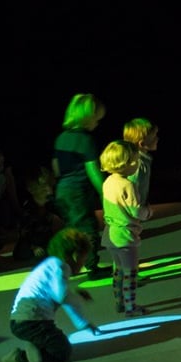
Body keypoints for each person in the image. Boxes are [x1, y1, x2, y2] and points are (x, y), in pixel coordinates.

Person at [3, 228, 102, 362]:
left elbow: (56, 290)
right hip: (32, 322)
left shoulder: (51, 264)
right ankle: (22, 355)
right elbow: (62, 296)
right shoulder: (61, 267)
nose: (83, 265)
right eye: (83, 260)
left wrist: (74, 292)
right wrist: (82, 322)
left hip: (21, 321)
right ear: (75, 256)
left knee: (53, 341)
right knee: (62, 351)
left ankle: (35, 343)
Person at [52, 93, 107, 278]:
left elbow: (56, 168)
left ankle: (67, 265)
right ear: (87, 117)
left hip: (62, 190)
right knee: (88, 227)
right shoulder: (86, 140)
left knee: (71, 229)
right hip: (78, 193)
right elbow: (93, 171)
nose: (97, 124)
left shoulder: (60, 138)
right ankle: (92, 268)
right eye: (96, 119)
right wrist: (104, 194)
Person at [100, 140, 152, 317]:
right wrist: (148, 212)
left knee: (118, 271)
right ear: (128, 163)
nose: (138, 164)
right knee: (131, 274)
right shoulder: (128, 185)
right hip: (125, 235)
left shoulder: (107, 182)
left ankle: (119, 303)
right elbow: (136, 211)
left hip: (110, 234)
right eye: (136, 160)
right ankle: (131, 308)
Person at [12, 166, 63, 262]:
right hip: (33, 243)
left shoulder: (53, 204)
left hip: (48, 239)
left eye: (48, 185)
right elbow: (24, 233)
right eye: (43, 186)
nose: (48, 189)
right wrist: (33, 247)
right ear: (32, 189)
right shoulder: (28, 209)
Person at [122, 117, 159, 208]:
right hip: (135, 213)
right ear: (142, 144)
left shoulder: (141, 160)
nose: (157, 138)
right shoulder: (138, 164)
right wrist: (140, 211)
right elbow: (132, 192)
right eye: (154, 136)